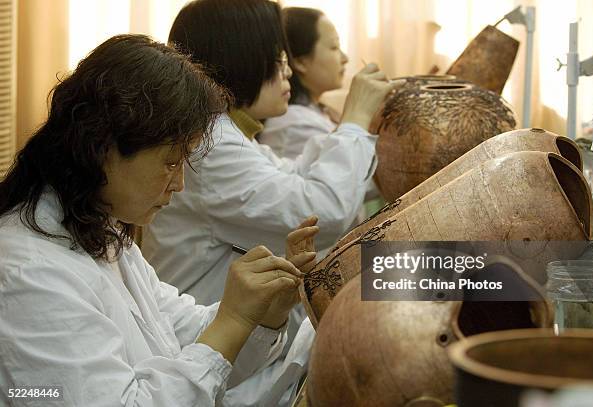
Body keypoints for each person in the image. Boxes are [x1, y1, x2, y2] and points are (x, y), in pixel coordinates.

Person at [0, 34, 319, 406]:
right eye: (170, 162)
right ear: (102, 146)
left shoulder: (103, 231)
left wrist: (264, 310)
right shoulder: (29, 275)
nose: (180, 184)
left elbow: (188, 340)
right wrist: (232, 320)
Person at [142, 1, 402, 403]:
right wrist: (354, 120)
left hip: (243, 348)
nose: (285, 71)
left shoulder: (228, 134)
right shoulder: (210, 145)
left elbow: (294, 176)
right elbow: (322, 209)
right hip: (220, 364)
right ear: (242, 60)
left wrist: (359, 129)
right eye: (276, 57)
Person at [258, 7, 347, 159]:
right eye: (334, 47)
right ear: (300, 62)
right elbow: (344, 173)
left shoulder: (316, 111)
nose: (345, 58)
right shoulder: (296, 123)